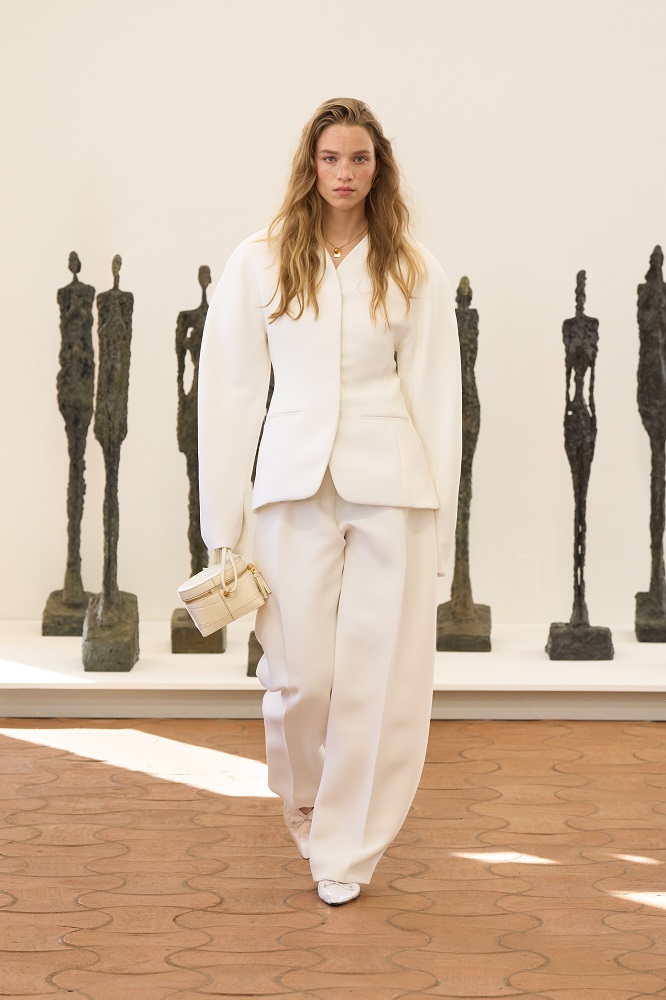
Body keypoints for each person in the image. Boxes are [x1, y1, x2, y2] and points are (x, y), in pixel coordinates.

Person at [198, 97, 462, 906]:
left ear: (379, 169)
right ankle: (305, 797)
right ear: (310, 166)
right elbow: (229, 393)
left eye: (359, 159)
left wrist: (444, 533)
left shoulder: (412, 266)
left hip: (392, 489)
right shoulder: (260, 259)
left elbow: (437, 400)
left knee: (377, 682)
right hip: (290, 486)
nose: (344, 173)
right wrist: (221, 524)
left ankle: (346, 850)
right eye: (331, 158)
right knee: (301, 675)